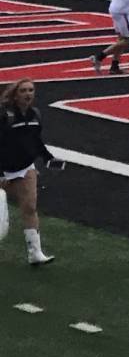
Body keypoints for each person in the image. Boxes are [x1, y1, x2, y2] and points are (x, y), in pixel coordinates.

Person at [2, 80, 56, 267]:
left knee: (30, 207)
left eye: (31, 90)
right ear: (15, 94)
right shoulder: (4, 115)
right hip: (2, 169)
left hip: (24, 167)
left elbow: (35, 141)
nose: (28, 94)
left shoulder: (35, 115)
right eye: (23, 90)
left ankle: (35, 253)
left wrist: (48, 158)